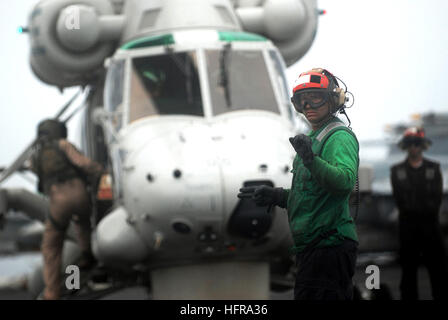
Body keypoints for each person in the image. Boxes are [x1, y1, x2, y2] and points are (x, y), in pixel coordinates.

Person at [238, 68, 359, 300]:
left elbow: (344, 182)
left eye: (315, 96)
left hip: (329, 246)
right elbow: (312, 193)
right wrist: (278, 196)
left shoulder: (338, 136)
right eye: (302, 100)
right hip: (313, 249)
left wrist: (311, 160)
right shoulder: (313, 137)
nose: (308, 105)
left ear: (334, 99)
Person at [31, 119, 103, 300]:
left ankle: (52, 293)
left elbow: (35, 170)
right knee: (84, 223)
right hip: (80, 195)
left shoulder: (37, 154)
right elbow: (83, 163)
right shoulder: (64, 145)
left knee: (51, 246)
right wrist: (101, 170)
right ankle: (87, 255)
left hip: (58, 201)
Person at [390, 127, 448, 300]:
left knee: (439, 272)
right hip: (408, 228)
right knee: (408, 273)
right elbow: (399, 199)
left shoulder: (434, 167)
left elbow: (437, 198)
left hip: (431, 227)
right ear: (405, 146)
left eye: (416, 143)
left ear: (422, 146)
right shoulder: (396, 170)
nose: (413, 147)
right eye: (410, 144)